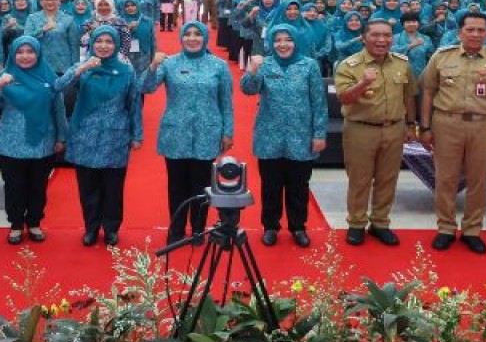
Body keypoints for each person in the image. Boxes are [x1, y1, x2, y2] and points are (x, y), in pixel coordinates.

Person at [419, 12, 486, 254]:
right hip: (447, 123)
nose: (475, 34)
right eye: (470, 30)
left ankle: (472, 230)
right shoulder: (442, 57)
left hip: (484, 124)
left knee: (478, 180)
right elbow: (428, 92)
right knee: (445, 179)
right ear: (460, 33)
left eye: (480, 30)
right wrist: (424, 127)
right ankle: (445, 228)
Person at [142, 21, 234, 243]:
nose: (192, 38)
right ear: (181, 38)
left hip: (207, 132)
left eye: (197, 34)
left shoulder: (218, 66)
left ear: (204, 38)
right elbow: (145, 88)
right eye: (188, 35)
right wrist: (152, 66)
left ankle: (198, 230)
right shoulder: (170, 63)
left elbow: (226, 103)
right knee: (177, 185)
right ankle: (176, 229)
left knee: (202, 185)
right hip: (176, 134)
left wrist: (227, 132)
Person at [53, 26, 141, 246]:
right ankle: (91, 227)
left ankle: (111, 228)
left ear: (116, 45)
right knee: (88, 186)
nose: (103, 46)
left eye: (109, 41)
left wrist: (136, 134)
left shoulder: (127, 70)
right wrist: (82, 69)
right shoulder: (83, 67)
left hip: (115, 137)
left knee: (113, 187)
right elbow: (58, 87)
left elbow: (134, 105)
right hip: (85, 136)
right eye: (99, 41)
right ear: (91, 43)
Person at [241, 24, 327, 248]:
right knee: (271, 185)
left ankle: (298, 227)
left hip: (301, 136)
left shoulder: (308, 65)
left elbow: (319, 102)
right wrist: (252, 70)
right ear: (271, 43)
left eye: (288, 39)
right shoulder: (265, 64)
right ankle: (270, 226)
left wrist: (319, 133)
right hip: (269, 136)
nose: (283, 44)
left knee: (299, 185)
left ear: (296, 41)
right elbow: (248, 90)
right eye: (278, 40)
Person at [335, 19, 417, 247]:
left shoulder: (402, 64)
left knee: (387, 179)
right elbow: (344, 97)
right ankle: (357, 224)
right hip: (361, 129)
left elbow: (409, 95)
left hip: (394, 128)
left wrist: (411, 125)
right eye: (375, 35)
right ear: (364, 37)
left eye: (387, 36)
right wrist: (362, 83)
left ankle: (380, 223)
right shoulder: (349, 65)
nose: (382, 40)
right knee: (359, 180)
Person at [0, 36, 68, 244]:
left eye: (30, 52)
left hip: (43, 141)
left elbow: (58, 108)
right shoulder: (3, 76)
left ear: (38, 54)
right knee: (14, 186)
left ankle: (34, 223)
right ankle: (15, 224)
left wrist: (61, 136)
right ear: (13, 54)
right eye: (20, 52)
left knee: (38, 186)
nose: (25, 56)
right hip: (11, 143)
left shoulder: (48, 76)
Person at [24, 0, 80, 76]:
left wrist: (75, 68)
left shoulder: (68, 19)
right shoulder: (32, 18)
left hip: (63, 67)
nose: (50, 2)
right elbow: (26, 39)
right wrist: (42, 30)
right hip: (39, 65)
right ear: (41, 2)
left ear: (59, 1)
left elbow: (74, 46)